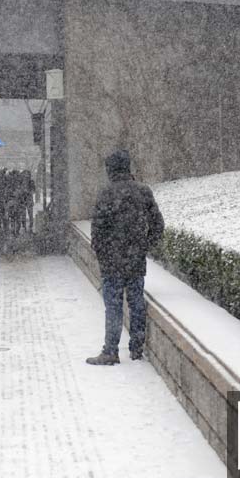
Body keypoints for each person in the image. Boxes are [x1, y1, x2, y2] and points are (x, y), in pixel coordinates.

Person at [86, 149, 165, 365]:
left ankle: (110, 350)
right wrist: (144, 246)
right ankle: (137, 348)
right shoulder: (143, 192)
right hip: (135, 259)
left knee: (113, 306)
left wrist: (102, 253)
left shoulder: (106, 193)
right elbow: (158, 224)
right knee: (136, 302)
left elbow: (98, 229)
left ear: (111, 170)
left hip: (112, 261)